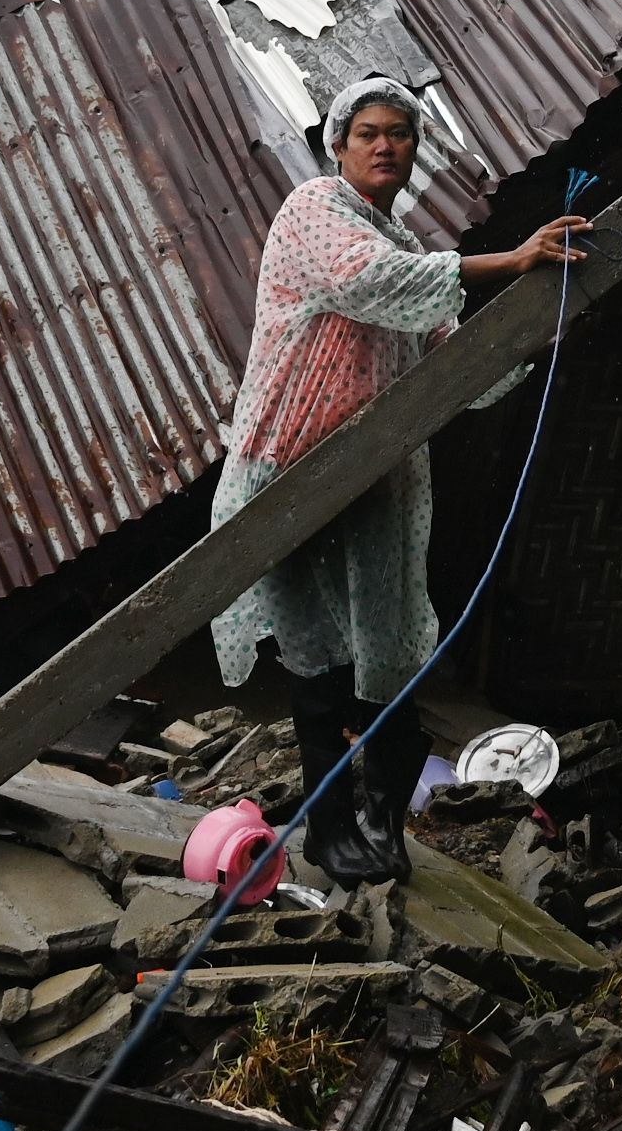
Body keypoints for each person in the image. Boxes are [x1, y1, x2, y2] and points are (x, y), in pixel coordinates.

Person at [209, 75, 588, 887]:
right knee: (317, 664)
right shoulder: (316, 210)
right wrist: (514, 257)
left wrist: (528, 330)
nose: (386, 146)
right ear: (340, 146)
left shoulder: (408, 246)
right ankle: (328, 831)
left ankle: (381, 818)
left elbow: (452, 360)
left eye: (401, 135)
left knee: (388, 652)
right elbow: (370, 282)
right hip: (291, 467)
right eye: (369, 133)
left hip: (376, 475)